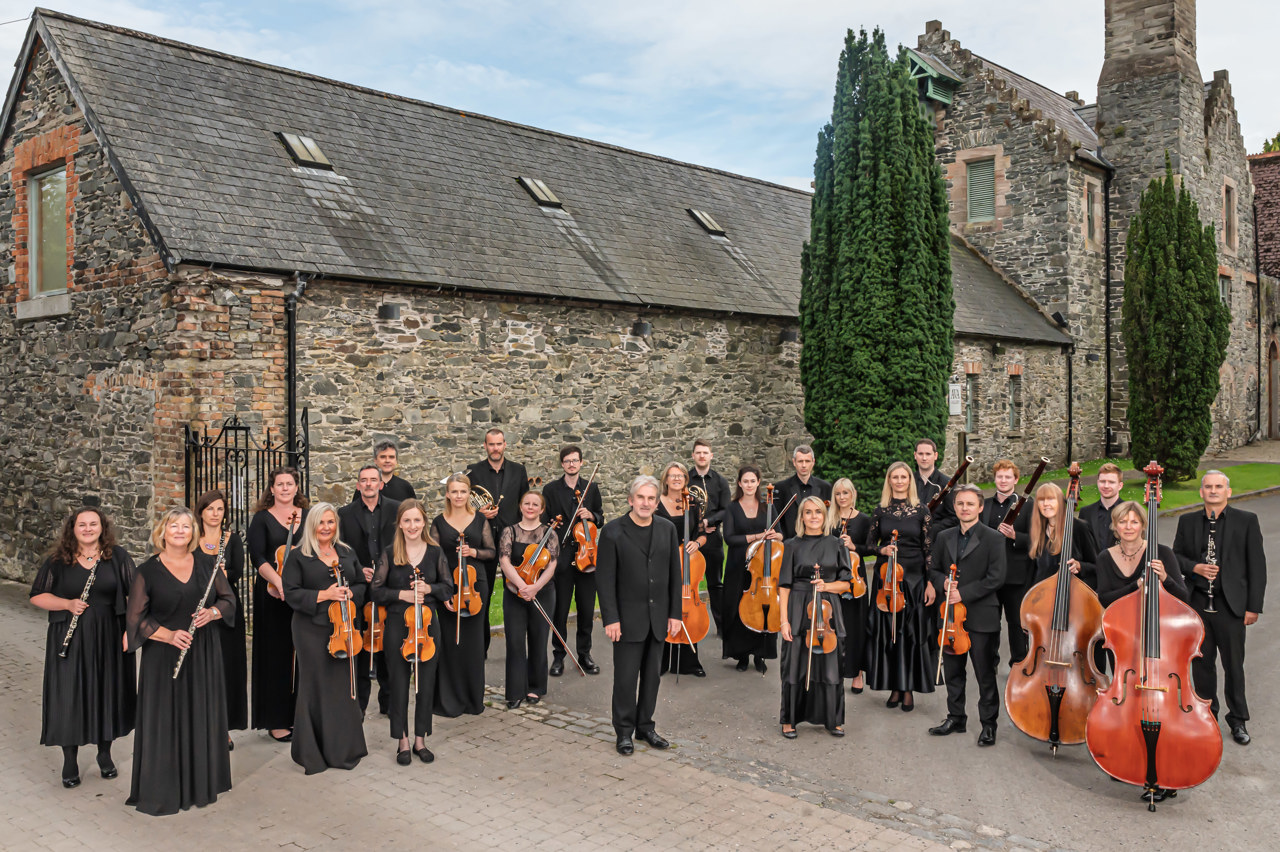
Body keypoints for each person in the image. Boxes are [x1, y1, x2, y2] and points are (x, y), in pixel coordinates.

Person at [125, 507, 234, 815]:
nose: (180, 531)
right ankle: (165, 788)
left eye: (186, 526)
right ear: (163, 531)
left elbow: (228, 601)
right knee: (166, 719)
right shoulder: (146, 571)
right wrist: (168, 635)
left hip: (203, 653)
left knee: (200, 713)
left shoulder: (207, 563)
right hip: (163, 657)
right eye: (174, 525)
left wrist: (211, 613)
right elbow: (136, 620)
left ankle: (200, 783)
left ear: (193, 532)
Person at [29, 507, 136, 789]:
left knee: (107, 693)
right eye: (82, 525)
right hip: (70, 636)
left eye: (93, 524)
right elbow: (37, 596)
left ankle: (104, 754)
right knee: (70, 696)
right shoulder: (58, 560)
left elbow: (136, 595)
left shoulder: (118, 557)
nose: (88, 529)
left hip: (109, 636)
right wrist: (66, 604)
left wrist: (131, 632)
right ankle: (70, 760)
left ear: (102, 527)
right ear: (72, 529)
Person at [1172, 470, 1267, 746]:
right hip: (1199, 603)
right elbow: (1176, 557)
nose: (1213, 491)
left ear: (1229, 491)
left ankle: (1238, 720)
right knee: (1202, 665)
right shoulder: (1187, 521)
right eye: (1208, 487)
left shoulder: (1247, 521)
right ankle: (1207, 716)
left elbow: (1257, 568)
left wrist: (1253, 607)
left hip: (1231, 605)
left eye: (1219, 487)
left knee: (1234, 666)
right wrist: (1196, 567)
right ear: (1201, 492)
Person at [596, 475, 682, 755]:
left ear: (657, 503)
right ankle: (624, 731)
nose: (645, 503)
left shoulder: (667, 529)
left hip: (658, 618)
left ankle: (646, 726)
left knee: (652, 677)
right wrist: (611, 618)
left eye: (651, 498)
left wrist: (675, 614)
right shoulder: (612, 532)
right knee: (625, 678)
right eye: (640, 498)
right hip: (626, 619)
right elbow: (605, 579)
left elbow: (674, 574)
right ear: (631, 500)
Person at [282, 502, 368, 774]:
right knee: (315, 685)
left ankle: (344, 749)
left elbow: (361, 585)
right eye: (321, 522)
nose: (326, 528)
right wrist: (325, 595)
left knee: (342, 686)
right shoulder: (298, 556)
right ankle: (313, 753)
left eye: (331, 522)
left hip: (342, 628)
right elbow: (291, 592)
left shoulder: (345, 552)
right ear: (312, 525)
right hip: (311, 629)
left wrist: (350, 593)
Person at [372, 499, 451, 766]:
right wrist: (402, 594)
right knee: (398, 684)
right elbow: (376, 591)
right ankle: (402, 740)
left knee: (426, 684)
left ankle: (420, 739)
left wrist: (429, 590)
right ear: (400, 524)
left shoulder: (435, 552)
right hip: (397, 626)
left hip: (428, 627)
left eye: (417, 520)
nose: (412, 525)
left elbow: (448, 588)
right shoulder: (390, 553)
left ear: (424, 522)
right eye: (407, 520)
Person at [927, 485, 1006, 747]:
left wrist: (964, 593)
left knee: (984, 673)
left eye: (970, 504)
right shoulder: (943, 536)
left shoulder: (993, 538)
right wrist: (943, 584)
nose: (964, 508)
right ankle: (956, 717)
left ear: (980, 508)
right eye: (960, 504)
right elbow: (935, 570)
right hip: (950, 616)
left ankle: (988, 725)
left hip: (982, 615)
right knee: (953, 671)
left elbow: (996, 578)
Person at [778, 496, 853, 738]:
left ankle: (833, 719)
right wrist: (783, 621)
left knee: (831, 667)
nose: (813, 516)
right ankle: (789, 719)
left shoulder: (836, 544)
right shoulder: (791, 545)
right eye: (808, 512)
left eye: (818, 512)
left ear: (824, 515)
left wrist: (826, 587)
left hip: (827, 610)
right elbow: (784, 586)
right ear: (801, 517)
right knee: (794, 666)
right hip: (799, 607)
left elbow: (846, 584)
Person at [865, 461, 936, 712]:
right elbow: (869, 545)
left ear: (909, 480)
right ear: (889, 481)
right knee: (889, 635)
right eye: (894, 477)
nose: (899, 481)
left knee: (909, 634)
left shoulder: (921, 510)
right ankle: (895, 686)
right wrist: (882, 549)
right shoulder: (880, 511)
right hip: (887, 581)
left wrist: (930, 583)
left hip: (915, 580)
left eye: (903, 477)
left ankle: (907, 689)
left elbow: (928, 550)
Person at [246, 466, 308, 742]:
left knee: (303, 655)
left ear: (297, 488)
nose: (285, 488)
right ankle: (277, 720)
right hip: (273, 594)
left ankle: (301, 715)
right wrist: (280, 583)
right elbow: (258, 558)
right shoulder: (261, 519)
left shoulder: (308, 517)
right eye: (279, 484)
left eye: (289, 483)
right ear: (271, 489)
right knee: (276, 657)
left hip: (304, 594)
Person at [431, 473, 495, 717]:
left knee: (473, 643)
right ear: (447, 494)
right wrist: (442, 591)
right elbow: (434, 558)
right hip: (449, 584)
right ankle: (449, 699)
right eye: (454, 491)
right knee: (449, 642)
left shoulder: (480, 520)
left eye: (463, 491)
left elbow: (491, 552)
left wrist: (474, 552)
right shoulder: (438, 522)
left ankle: (472, 699)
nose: (458, 496)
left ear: (470, 494)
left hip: (476, 586)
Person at [337, 465, 399, 715]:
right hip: (360, 587)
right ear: (357, 485)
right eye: (364, 480)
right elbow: (340, 550)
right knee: (362, 645)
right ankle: (359, 705)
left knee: (389, 644)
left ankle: (389, 701)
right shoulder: (344, 513)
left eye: (374, 480)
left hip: (390, 584)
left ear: (381, 484)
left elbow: (404, 544)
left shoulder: (397, 509)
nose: (369, 484)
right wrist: (357, 569)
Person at [466, 428, 529, 654]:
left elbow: (525, 504)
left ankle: (517, 647)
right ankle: (481, 648)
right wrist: (479, 512)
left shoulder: (518, 470)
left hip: (512, 540)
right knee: (482, 595)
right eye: (491, 444)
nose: (495, 448)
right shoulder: (473, 471)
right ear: (485, 445)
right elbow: (465, 505)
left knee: (516, 593)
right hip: (484, 543)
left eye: (499, 444)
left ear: (505, 444)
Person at [543, 445, 603, 676]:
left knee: (586, 609)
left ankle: (585, 654)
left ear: (581, 463)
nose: (571, 464)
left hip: (587, 557)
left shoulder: (591, 488)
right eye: (567, 461)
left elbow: (601, 517)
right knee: (560, 610)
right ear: (562, 464)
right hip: (563, 556)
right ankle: (558, 656)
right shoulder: (551, 490)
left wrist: (592, 516)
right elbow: (545, 522)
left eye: (575, 460)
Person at [194, 490, 249, 742]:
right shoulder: (191, 538)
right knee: (200, 667)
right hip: (197, 607)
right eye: (210, 509)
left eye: (219, 509)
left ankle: (222, 728)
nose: (215, 514)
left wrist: (222, 576)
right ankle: (197, 722)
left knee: (226, 667)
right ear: (201, 512)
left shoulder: (232, 539)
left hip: (226, 609)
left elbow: (236, 573)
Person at [499, 491, 559, 708]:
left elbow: (551, 565)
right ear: (521, 506)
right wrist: (522, 585)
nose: (530, 507)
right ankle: (515, 691)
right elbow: (504, 561)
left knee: (538, 639)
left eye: (535, 504)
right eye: (527, 503)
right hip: (514, 592)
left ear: (542, 509)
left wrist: (535, 587)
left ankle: (535, 687)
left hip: (542, 593)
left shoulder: (549, 533)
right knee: (515, 642)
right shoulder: (510, 531)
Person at [721, 465, 782, 673]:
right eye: (745, 481)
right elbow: (729, 538)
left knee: (763, 608)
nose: (749, 484)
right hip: (739, 565)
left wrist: (776, 536)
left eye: (752, 481)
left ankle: (760, 655)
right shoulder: (731, 508)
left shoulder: (768, 507)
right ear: (739, 483)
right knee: (738, 610)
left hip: (762, 567)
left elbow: (781, 534)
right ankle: (742, 656)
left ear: (758, 483)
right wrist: (758, 536)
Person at [655, 462, 707, 677]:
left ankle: (690, 662)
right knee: (664, 610)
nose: (677, 479)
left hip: (688, 563)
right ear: (665, 479)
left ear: (686, 479)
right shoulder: (656, 504)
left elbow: (704, 533)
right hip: (664, 562)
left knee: (689, 610)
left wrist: (698, 543)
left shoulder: (693, 503)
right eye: (672, 475)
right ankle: (663, 661)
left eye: (681, 476)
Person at [980, 461, 1033, 668]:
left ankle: (1018, 663)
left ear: (1016, 479)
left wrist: (1015, 536)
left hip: (1016, 576)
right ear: (995, 479)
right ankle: (989, 663)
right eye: (1000, 477)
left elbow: (1036, 540)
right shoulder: (984, 504)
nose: (1003, 481)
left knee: (1016, 624)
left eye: (1008, 477)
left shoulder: (1028, 506)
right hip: (989, 574)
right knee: (990, 623)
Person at [829, 478, 876, 693]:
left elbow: (870, 548)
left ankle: (857, 672)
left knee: (855, 627)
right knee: (833, 624)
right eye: (838, 493)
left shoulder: (864, 520)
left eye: (846, 493)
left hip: (856, 581)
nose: (842, 497)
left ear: (853, 494)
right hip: (833, 579)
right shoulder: (828, 520)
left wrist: (854, 546)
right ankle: (835, 669)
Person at [1094, 501, 1187, 608]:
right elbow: (1103, 599)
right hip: (1117, 621)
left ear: (1143, 525)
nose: (1128, 527)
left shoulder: (1163, 553)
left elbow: (1184, 597)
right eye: (1122, 522)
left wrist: (1165, 578)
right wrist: (1136, 585)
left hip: (1158, 621)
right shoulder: (1104, 557)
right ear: (1115, 525)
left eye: (1134, 522)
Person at [689, 439, 732, 636]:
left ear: (711, 456)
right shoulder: (685, 479)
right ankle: (689, 622)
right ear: (693, 456)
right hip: (690, 540)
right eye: (698, 453)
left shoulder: (720, 481)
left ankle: (722, 627)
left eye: (705, 452)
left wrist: (710, 521)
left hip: (713, 540)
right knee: (688, 583)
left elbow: (727, 510)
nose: (702, 456)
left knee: (715, 583)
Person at [1027, 483, 1096, 587]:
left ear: (1060, 501)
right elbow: (1035, 573)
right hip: (1043, 596)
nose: (1045, 503)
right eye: (1041, 500)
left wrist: (1080, 566)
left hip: (1073, 594)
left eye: (1051, 499)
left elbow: (1097, 566)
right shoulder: (1037, 530)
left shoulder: (1078, 527)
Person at [774, 445, 832, 537]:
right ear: (794, 462)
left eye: (807, 461)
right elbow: (776, 519)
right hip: (790, 543)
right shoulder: (782, 487)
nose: (804, 465)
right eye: (800, 461)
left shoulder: (825, 487)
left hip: (818, 543)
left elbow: (829, 517)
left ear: (813, 462)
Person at [913, 438, 957, 533]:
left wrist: (930, 529)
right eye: (920, 454)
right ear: (915, 455)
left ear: (935, 456)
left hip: (936, 539)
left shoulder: (947, 483)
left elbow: (953, 517)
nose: (924, 458)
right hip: (911, 538)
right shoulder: (908, 482)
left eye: (928, 454)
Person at [1080, 463, 1124, 552]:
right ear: (1097, 483)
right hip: (1092, 565)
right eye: (1102, 481)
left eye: (1111, 482)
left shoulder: (1130, 511)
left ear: (1120, 486)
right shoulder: (1086, 512)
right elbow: (1081, 546)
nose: (1106, 486)